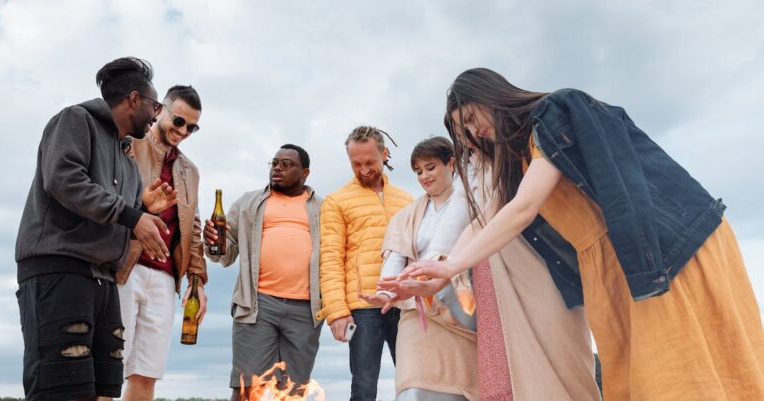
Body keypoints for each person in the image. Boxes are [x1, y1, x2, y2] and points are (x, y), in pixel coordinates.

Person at [403, 68, 764, 401]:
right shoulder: (516, 163)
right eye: (461, 130)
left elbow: (523, 209)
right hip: (607, 267)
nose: (471, 132)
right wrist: (440, 266)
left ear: (492, 95)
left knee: (676, 373)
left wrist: (452, 268)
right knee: (633, 379)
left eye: (470, 118)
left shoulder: (555, 112)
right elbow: (485, 221)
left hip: (660, 245)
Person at [15, 57, 171, 401]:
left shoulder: (128, 163)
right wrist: (133, 217)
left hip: (103, 279)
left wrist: (144, 210)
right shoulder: (75, 120)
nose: (156, 115)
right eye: (154, 105)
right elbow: (64, 180)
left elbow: (116, 215)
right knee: (61, 385)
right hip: (59, 270)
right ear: (133, 99)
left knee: (103, 388)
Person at [361, 136, 478, 400]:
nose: (424, 176)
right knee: (413, 385)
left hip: (463, 305)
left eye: (430, 167)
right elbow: (395, 257)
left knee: (460, 384)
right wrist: (386, 292)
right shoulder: (408, 214)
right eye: (418, 171)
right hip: (416, 306)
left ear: (451, 164)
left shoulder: (473, 202)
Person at [204, 144, 323, 400]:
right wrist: (214, 241)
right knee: (247, 388)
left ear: (305, 172)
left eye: (286, 164)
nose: (277, 168)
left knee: (292, 391)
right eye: (274, 163)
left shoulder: (323, 208)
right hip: (257, 304)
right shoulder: (248, 202)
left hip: (305, 309)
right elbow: (225, 252)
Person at [116, 85, 208, 401]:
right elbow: (109, 201)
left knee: (147, 374)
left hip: (167, 280)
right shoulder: (127, 146)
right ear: (160, 110)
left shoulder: (190, 171)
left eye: (192, 127)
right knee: (109, 369)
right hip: (124, 269)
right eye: (179, 121)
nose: (183, 131)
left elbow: (192, 229)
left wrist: (197, 281)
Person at [317, 126, 413, 401]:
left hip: (402, 303)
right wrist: (336, 311)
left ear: (385, 154)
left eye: (370, 162)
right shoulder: (336, 201)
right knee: (364, 387)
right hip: (362, 307)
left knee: (412, 383)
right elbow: (331, 258)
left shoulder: (407, 200)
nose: (363, 169)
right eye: (356, 163)